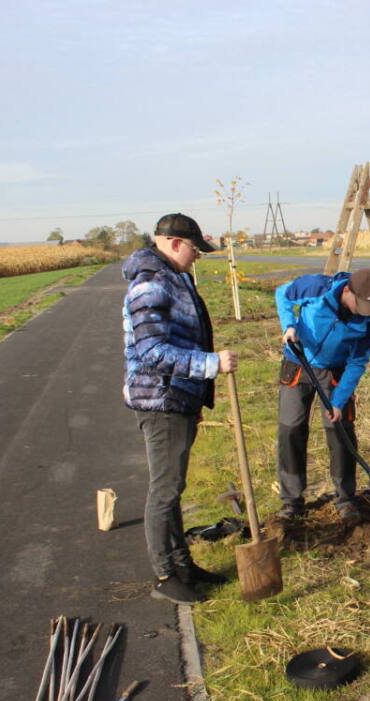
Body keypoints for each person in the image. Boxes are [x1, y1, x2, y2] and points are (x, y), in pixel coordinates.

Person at [122, 213, 237, 605]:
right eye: (194, 249)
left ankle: (182, 565)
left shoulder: (174, 276)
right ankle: (165, 574)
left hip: (178, 397)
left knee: (174, 486)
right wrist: (210, 365)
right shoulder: (151, 283)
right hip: (160, 399)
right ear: (173, 243)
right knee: (165, 490)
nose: (197, 257)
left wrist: (196, 396)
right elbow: (151, 351)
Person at [274, 268, 370, 523]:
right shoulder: (316, 287)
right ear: (347, 291)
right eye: (358, 305)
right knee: (291, 429)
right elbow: (283, 294)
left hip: (336, 371)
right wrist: (289, 326)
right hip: (298, 362)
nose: (362, 313)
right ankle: (291, 501)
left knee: (341, 432)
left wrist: (338, 401)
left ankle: (346, 498)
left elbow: (357, 362)